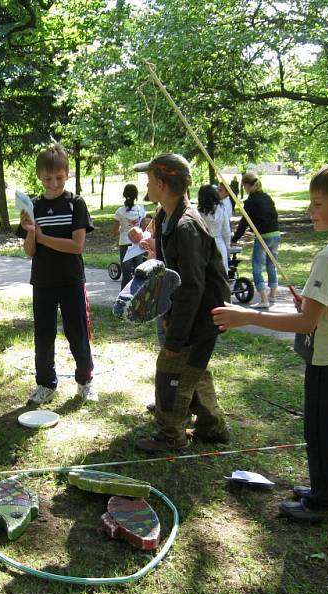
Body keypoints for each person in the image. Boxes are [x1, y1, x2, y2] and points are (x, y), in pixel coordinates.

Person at [212, 162, 328, 524]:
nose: (309, 210)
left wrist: (247, 316)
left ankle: (326, 503)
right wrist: (323, 301)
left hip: (327, 357)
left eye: (317, 204)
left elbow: (306, 322)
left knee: (320, 433)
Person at [131, 153, 231, 453]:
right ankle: (212, 427)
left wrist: (176, 335)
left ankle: (170, 436)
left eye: (149, 179)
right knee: (194, 370)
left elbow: (191, 288)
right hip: (191, 314)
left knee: (171, 368)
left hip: (202, 315)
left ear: (161, 183)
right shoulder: (164, 217)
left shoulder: (186, 226)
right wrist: (163, 309)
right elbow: (167, 272)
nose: (145, 183)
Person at [17, 143, 97, 405]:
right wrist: (30, 232)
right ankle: (46, 384)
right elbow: (30, 252)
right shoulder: (33, 206)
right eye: (48, 178)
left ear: (68, 174)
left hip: (72, 281)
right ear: (39, 176)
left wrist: (42, 236)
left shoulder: (76, 203)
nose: (53, 184)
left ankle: (85, 381)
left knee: (78, 334)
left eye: (59, 178)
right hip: (43, 282)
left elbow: (76, 246)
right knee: (43, 336)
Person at [231, 172, 280, 309]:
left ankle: (264, 300)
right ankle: (272, 296)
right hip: (275, 234)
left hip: (263, 236)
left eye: (244, 185)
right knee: (271, 265)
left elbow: (244, 222)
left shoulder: (251, 201)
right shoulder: (267, 197)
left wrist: (235, 238)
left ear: (247, 185)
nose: (243, 188)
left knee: (257, 266)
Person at [112, 184, 147, 287]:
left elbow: (114, 231)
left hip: (125, 243)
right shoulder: (141, 210)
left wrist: (123, 231)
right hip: (138, 244)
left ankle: (124, 298)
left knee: (126, 274)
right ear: (136, 195)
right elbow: (143, 228)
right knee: (139, 272)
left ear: (124, 195)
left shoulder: (119, 212)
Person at [196, 184, 232, 269]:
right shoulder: (222, 210)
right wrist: (227, 248)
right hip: (219, 245)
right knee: (222, 275)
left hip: (204, 246)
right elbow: (226, 231)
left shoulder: (198, 212)